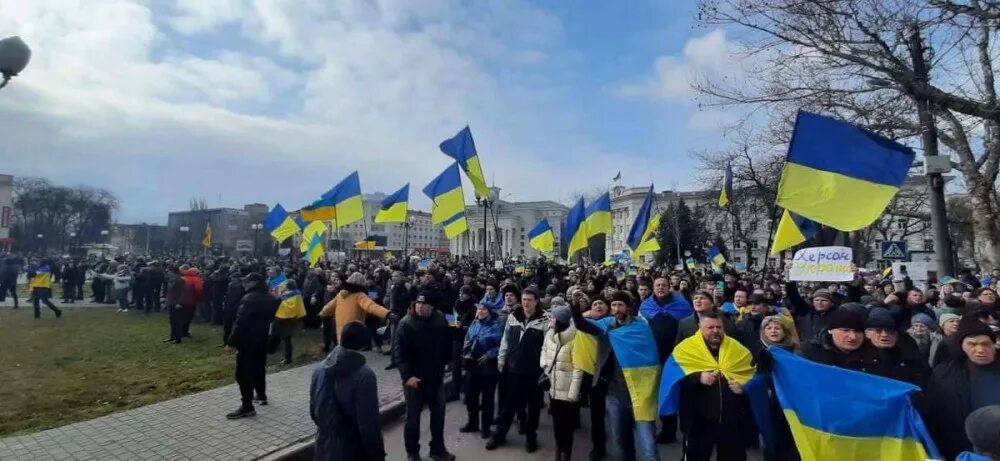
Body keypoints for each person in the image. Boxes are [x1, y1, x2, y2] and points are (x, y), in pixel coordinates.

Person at [571, 290, 661, 461]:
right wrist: (575, 307)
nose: (617, 308)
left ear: (628, 307)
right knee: (621, 441)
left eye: (620, 305)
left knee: (648, 445)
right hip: (615, 393)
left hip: (641, 392)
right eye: (613, 305)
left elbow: (651, 359)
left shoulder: (641, 327)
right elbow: (582, 324)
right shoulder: (607, 324)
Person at [674, 311, 754, 461]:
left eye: (719, 327)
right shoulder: (686, 348)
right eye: (710, 327)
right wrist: (698, 377)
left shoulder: (737, 349)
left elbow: (751, 374)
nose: (715, 331)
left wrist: (744, 387)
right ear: (700, 328)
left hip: (731, 420)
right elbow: (673, 376)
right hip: (699, 420)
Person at [309, 321, 386, 461]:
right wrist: (378, 454)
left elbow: (314, 411)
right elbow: (368, 424)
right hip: (353, 450)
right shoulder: (364, 375)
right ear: (363, 346)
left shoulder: (319, 369)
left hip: (324, 447)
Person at [926, 316, 1000, 459]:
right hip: (962, 446)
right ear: (962, 347)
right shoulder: (944, 374)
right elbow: (935, 414)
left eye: (985, 344)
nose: (980, 350)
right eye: (972, 344)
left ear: (994, 345)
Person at [393, 293, 455, 461]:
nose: (420, 306)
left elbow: (446, 341)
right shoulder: (406, 324)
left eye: (425, 304)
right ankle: (412, 453)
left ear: (432, 307)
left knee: (438, 416)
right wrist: (407, 376)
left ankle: (437, 449)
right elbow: (399, 354)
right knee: (412, 419)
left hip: (435, 377)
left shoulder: (440, 319)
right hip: (415, 381)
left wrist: (448, 360)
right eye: (418, 303)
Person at [487, 287, 550, 453]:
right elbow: (505, 340)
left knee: (534, 408)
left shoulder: (546, 320)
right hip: (514, 370)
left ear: (536, 301)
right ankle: (499, 435)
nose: (526, 303)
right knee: (509, 406)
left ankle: (531, 437)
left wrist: (546, 369)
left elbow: (549, 347)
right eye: (524, 300)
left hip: (535, 372)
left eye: (529, 300)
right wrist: (501, 359)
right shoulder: (513, 317)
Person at [638, 276, 692, 445]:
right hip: (651, 356)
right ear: (653, 288)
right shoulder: (645, 306)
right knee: (656, 393)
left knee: (672, 391)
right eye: (658, 285)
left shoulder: (682, 306)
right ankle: (658, 428)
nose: (661, 287)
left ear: (670, 287)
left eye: (664, 285)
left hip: (674, 355)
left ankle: (673, 431)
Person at [226, 273, 277, 419]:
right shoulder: (269, 298)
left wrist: (231, 341)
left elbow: (241, 322)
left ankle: (247, 406)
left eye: (246, 281)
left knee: (243, 374)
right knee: (259, 368)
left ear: (254, 283)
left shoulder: (249, 299)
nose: (244, 284)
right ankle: (261, 394)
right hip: (262, 339)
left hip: (247, 341)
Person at [540, 304, 584, 461]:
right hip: (553, 387)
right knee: (557, 422)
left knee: (567, 424)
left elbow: (578, 368)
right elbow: (544, 350)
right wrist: (545, 367)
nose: (550, 320)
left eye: (552, 317)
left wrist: (573, 394)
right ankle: (559, 447)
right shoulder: (550, 334)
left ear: (559, 320)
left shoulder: (575, 338)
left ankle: (567, 451)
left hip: (568, 390)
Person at [461, 302, 502, 439]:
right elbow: (467, 338)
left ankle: (486, 427)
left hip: (488, 366)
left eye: (484, 309)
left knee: (487, 399)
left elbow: (502, 345)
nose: (480, 311)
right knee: (471, 396)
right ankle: (473, 423)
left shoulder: (496, 325)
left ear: (489, 311)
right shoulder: (474, 322)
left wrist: (489, 355)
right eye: (479, 308)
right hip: (472, 364)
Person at [319, 272, 392, 344]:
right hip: (355, 329)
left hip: (341, 331)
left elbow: (329, 306)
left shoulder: (340, 295)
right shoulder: (359, 295)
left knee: (342, 349)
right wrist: (387, 314)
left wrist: (322, 313)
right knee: (354, 351)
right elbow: (371, 306)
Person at [799, 309, 879, 372]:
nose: (853, 337)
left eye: (858, 331)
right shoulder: (809, 353)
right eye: (845, 330)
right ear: (830, 330)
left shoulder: (875, 354)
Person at [272, 279, 307, 364]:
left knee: (285, 338)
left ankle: (287, 358)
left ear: (287, 287)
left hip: (283, 318)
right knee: (287, 338)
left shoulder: (284, 296)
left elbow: (276, 300)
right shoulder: (298, 293)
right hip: (293, 318)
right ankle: (287, 357)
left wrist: (276, 291)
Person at [180, 266, 204, 338]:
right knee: (188, 317)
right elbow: (199, 290)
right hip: (191, 301)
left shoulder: (182, 278)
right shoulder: (196, 280)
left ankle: (180, 331)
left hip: (181, 300)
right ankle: (185, 332)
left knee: (182, 316)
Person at [221, 271, 244, 347]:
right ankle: (226, 341)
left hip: (236, 308)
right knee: (227, 326)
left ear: (238, 279)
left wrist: (235, 307)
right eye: (232, 278)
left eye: (234, 278)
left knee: (237, 326)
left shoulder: (242, 288)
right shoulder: (230, 286)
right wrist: (224, 303)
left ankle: (235, 342)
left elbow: (241, 299)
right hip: (228, 308)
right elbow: (227, 296)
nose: (232, 280)